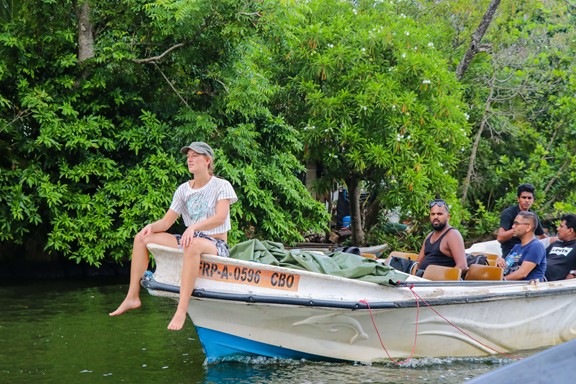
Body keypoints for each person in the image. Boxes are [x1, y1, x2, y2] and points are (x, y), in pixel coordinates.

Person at [109, 141, 238, 331]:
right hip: (190, 239)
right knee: (142, 237)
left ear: (207, 160)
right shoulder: (183, 190)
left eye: (195, 155)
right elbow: (166, 222)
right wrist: (150, 226)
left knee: (192, 244)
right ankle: (132, 296)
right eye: (188, 156)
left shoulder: (221, 185)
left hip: (215, 244)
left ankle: (181, 310)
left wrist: (193, 227)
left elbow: (220, 217)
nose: (190, 159)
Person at [417, 199, 468, 274]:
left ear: (448, 217)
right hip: (421, 280)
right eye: (433, 214)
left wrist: (443, 279)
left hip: (438, 283)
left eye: (439, 214)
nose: (435, 217)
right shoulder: (429, 236)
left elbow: (462, 266)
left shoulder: (453, 235)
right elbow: (417, 264)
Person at [497, 183, 546, 257]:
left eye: (529, 198)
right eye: (524, 197)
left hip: (528, 250)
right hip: (511, 251)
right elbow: (500, 237)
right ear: (518, 199)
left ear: (533, 200)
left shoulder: (533, 216)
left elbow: (542, 236)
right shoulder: (509, 213)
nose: (527, 200)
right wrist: (519, 228)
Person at [495, 211, 546, 281]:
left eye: (516, 224)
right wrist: (500, 261)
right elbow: (506, 268)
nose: (513, 226)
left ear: (528, 227)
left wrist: (500, 281)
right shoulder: (517, 247)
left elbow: (522, 273)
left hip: (524, 289)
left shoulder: (536, 246)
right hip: (508, 286)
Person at [544, 214, 576, 281]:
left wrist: (574, 273)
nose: (557, 229)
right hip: (536, 277)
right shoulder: (555, 244)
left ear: (570, 230)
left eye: (561, 226)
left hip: (554, 284)